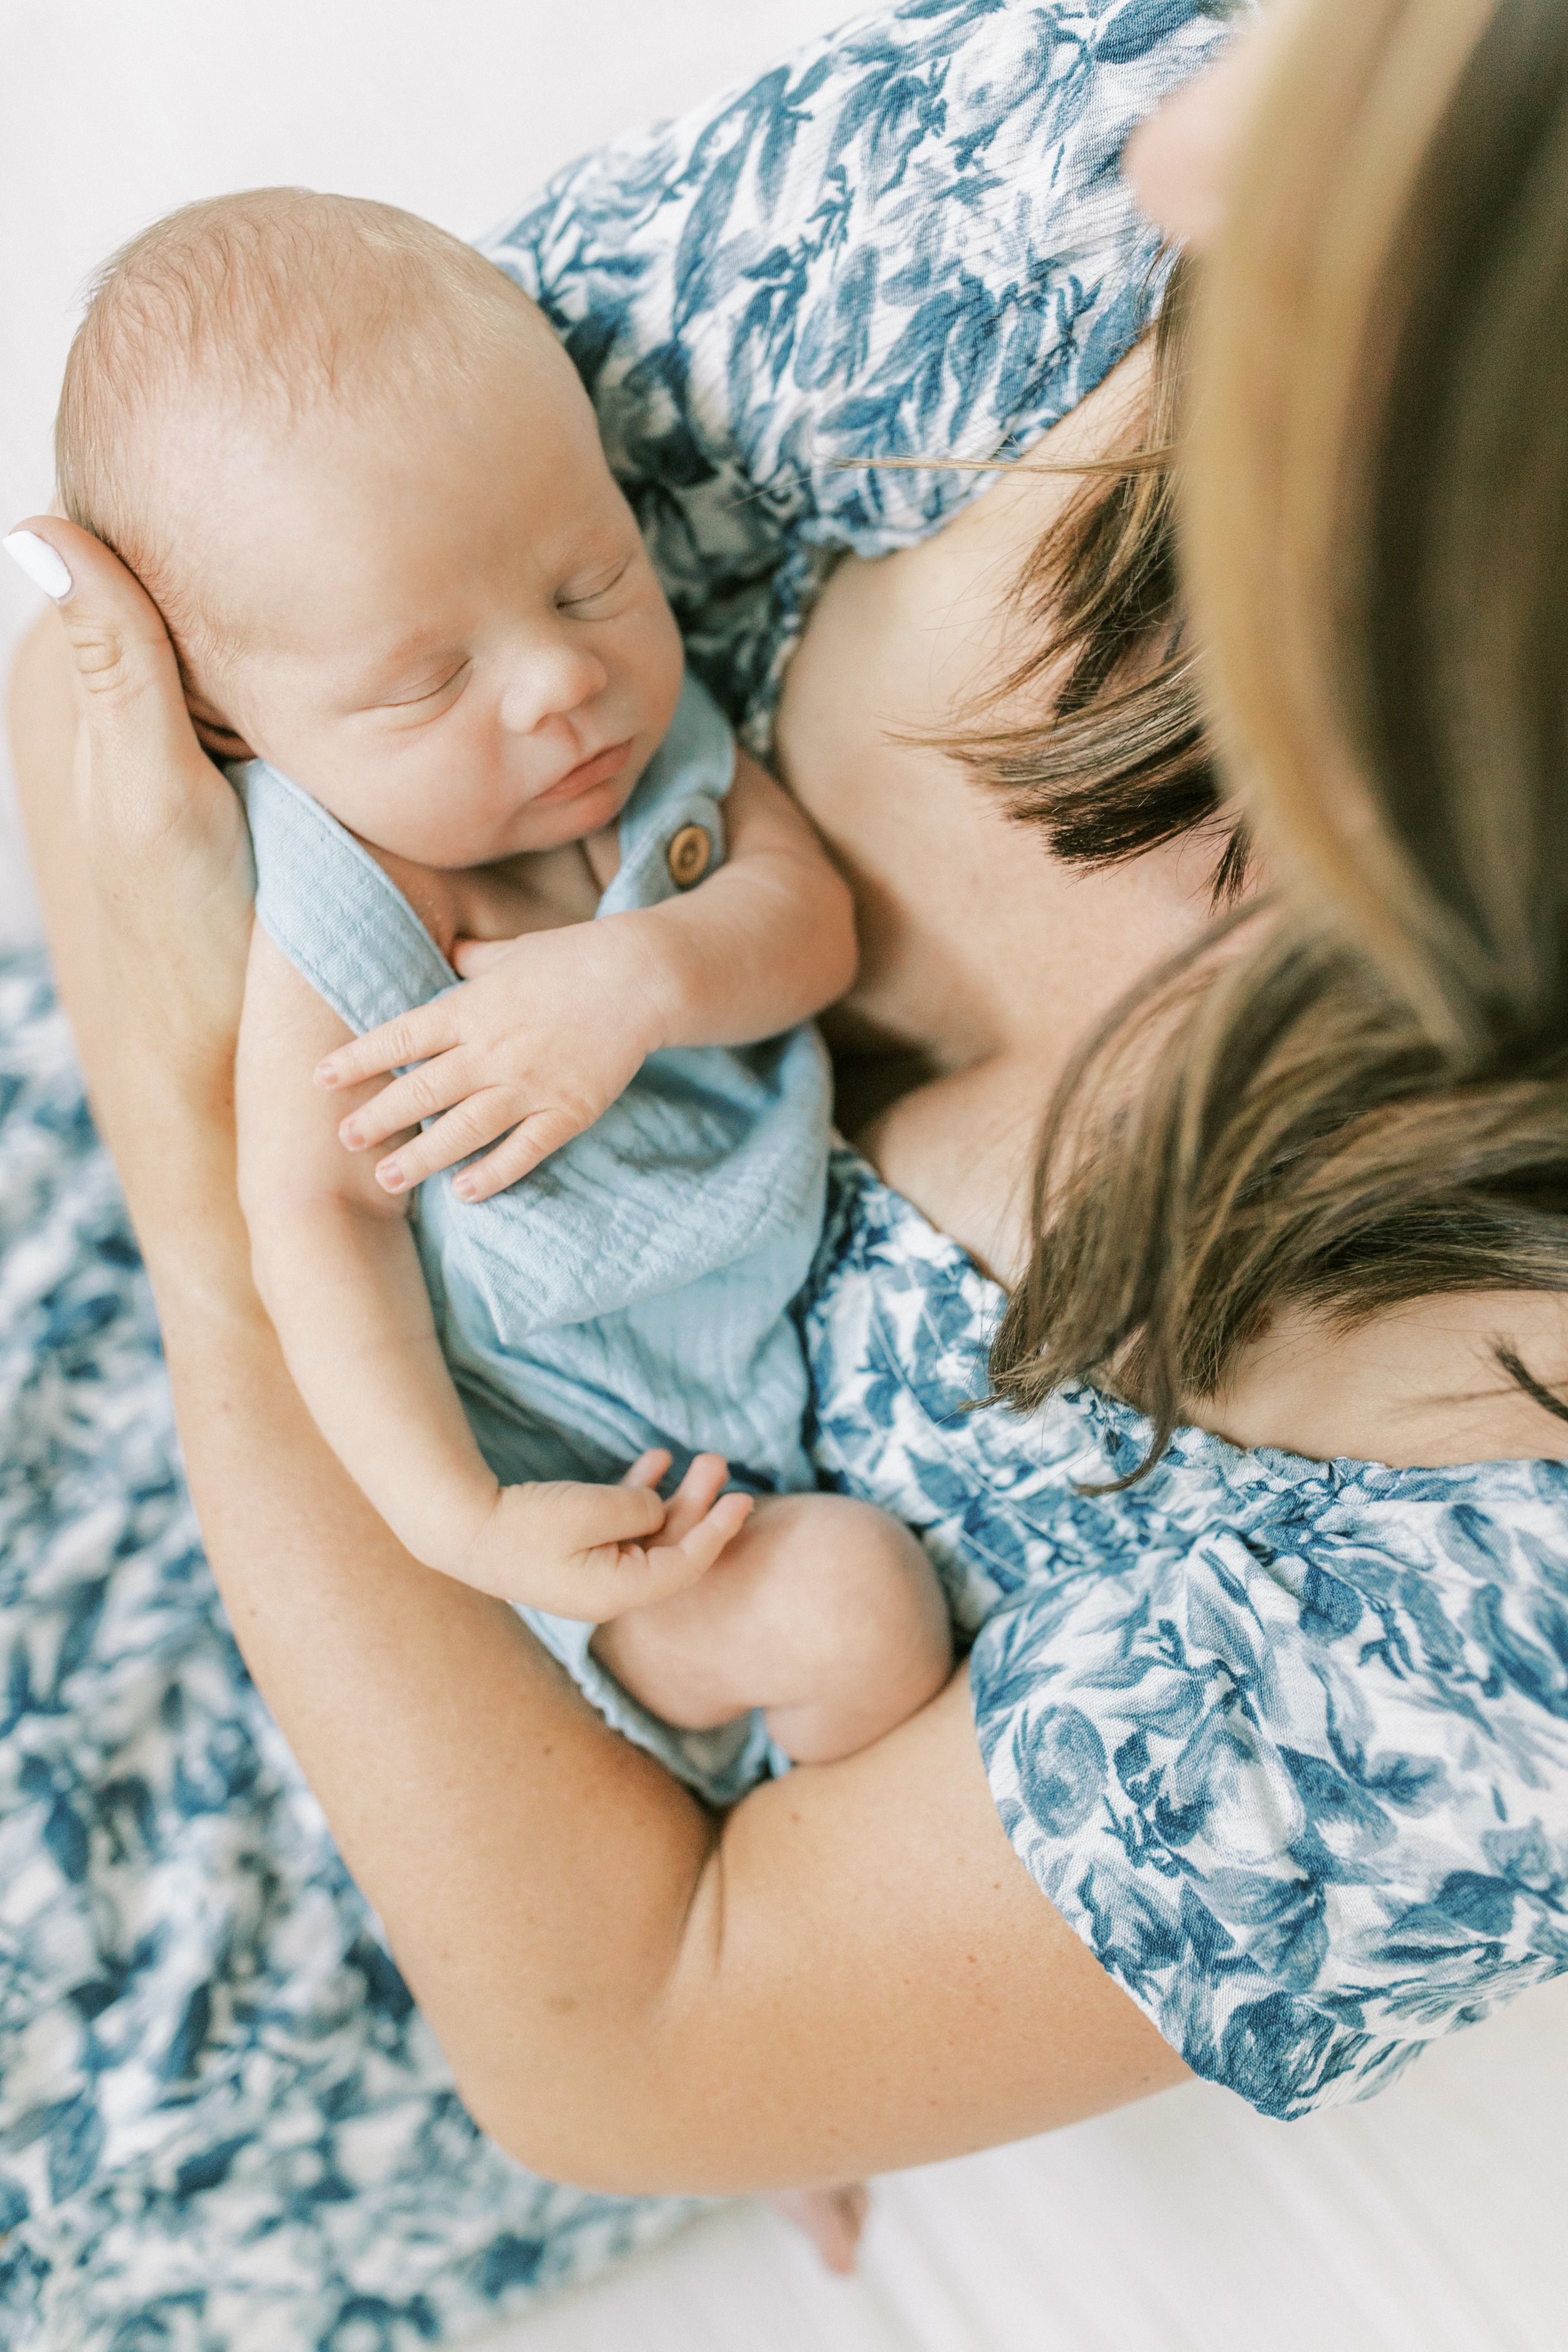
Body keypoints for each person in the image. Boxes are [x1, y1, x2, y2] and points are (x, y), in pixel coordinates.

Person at [3, 4, 1565, 2349]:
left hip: (247, 2005)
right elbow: (277, 569)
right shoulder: (1090, 174)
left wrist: (178, 1081)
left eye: (1379, 122)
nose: (1194, 138)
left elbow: (630, 2039)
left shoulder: (1506, 1532)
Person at [53, 188, 947, 1786]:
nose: (558, 683)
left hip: (759, 1346)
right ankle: (763, 1792)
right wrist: (462, 1520)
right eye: (425, 680)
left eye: (589, 576)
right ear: (246, 727)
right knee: (852, 1607)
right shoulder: (345, 909)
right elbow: (318, 1219)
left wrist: (642, 975)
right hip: (580, 1473)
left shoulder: (650, 758)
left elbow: (810, 927)